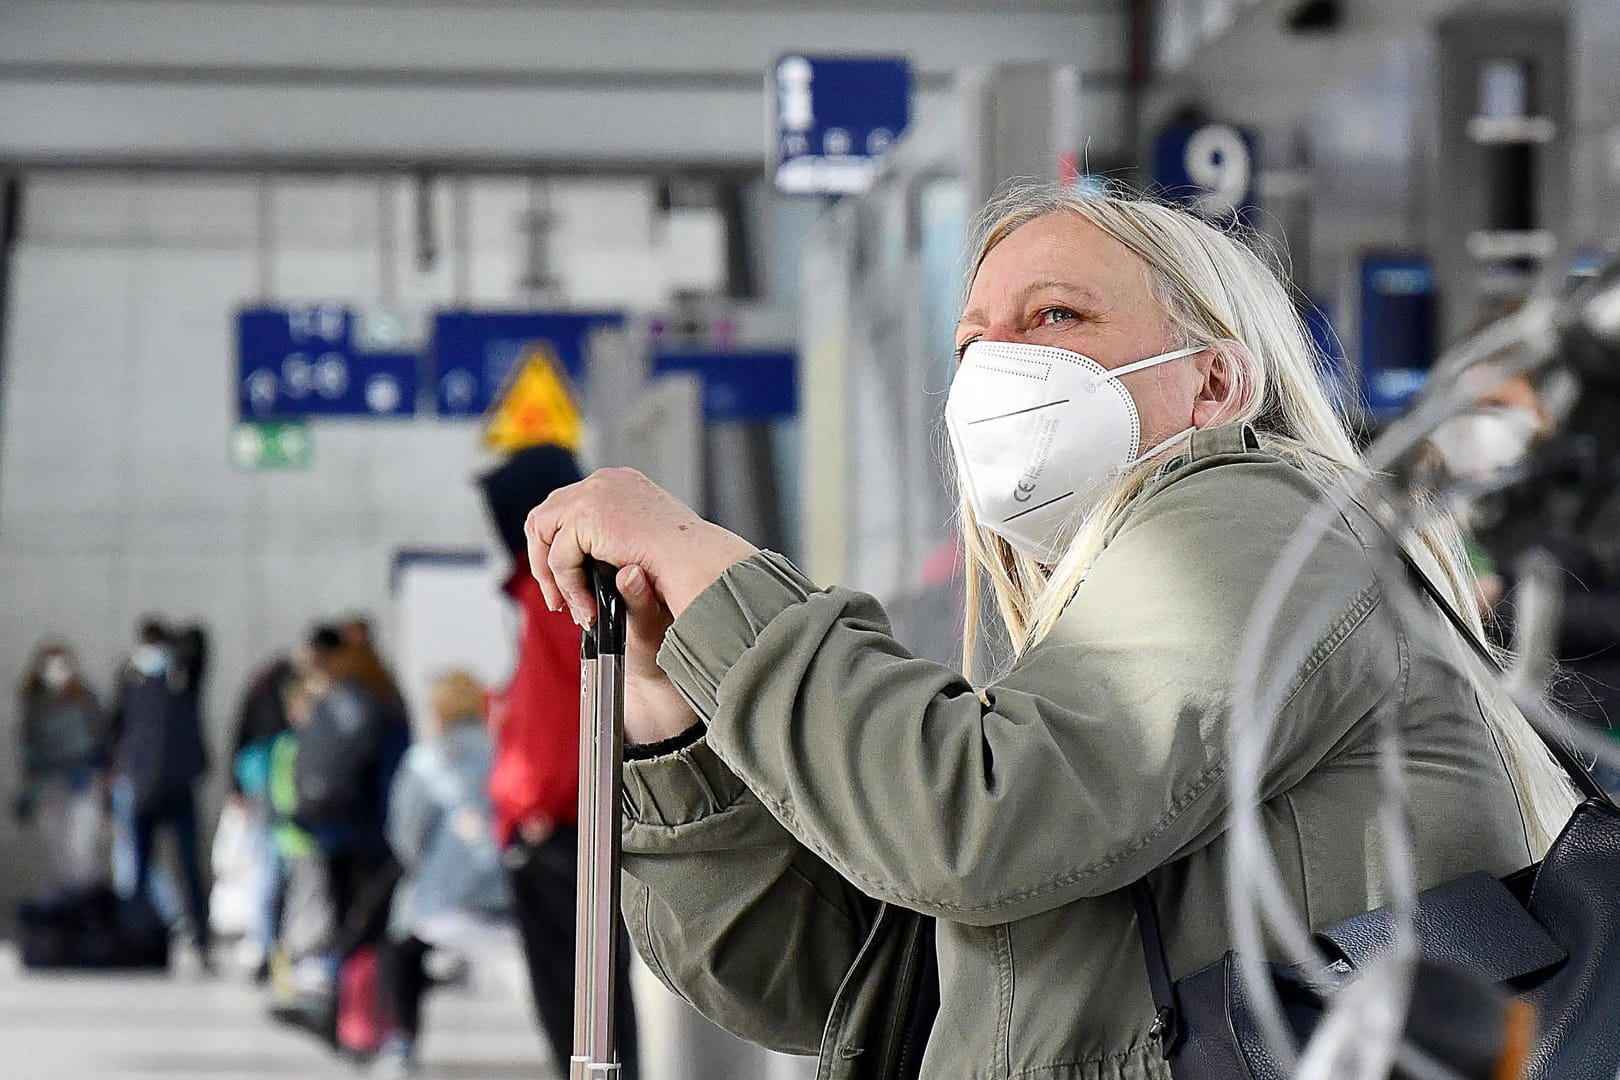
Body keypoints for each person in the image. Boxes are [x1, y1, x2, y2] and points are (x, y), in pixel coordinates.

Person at [520, 186, 1581, 1079]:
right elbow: (838, 980)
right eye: (973, 338)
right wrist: (669, 715)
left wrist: (719, 580)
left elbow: (979, 825)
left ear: (1215, 380)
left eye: (1057, 317)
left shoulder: (1260, 516)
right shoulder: (1115, 615)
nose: (994, 365)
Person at [478, 443, 639, 1078]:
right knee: (581, 1005)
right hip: (558, 824)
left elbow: (579, 715)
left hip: (562, 829)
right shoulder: (546, 588)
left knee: (582, 1006)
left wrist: (539, 809)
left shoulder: (561, 590)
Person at [375, 670, 509, 1077]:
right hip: (507, 896)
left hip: (444, 902)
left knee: (397, 949)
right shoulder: (501, 751)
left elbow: (406, 840)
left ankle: (402, 1041)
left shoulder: (425, 761)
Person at [297, 622, 411, 955]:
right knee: (371, 915)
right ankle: (363, 993)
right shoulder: (383, 695)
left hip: (336, 819)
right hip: (370, 824)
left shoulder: (338, 695)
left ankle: (344, 991)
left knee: (342, 909)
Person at [111, 618, 213, 968]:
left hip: (177, 783)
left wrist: (172, 651)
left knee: (189, 865)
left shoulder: (181, 677)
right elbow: (117, 725)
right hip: (141, 785)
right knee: (139, 869)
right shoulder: (131, 679)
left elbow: (199, 639)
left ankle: (202, 937)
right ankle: (138, 938)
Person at [15, 642, 109, 890]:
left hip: (84, 785)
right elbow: (29, 748)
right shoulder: (35, 704)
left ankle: (85, 906)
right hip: (50, 788)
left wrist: (102, 780)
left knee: (82, 854)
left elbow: (101, 741)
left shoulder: (85, 699)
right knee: (60, 857)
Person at [231, 655, 296, 978]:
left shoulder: (256, 692)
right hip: (275, 785)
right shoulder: (285, 712)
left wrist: (235, 789)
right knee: (272, 866)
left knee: (263, 864)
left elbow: (238, 736)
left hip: (256, 780)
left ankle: (264, 940)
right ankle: (270, 940)